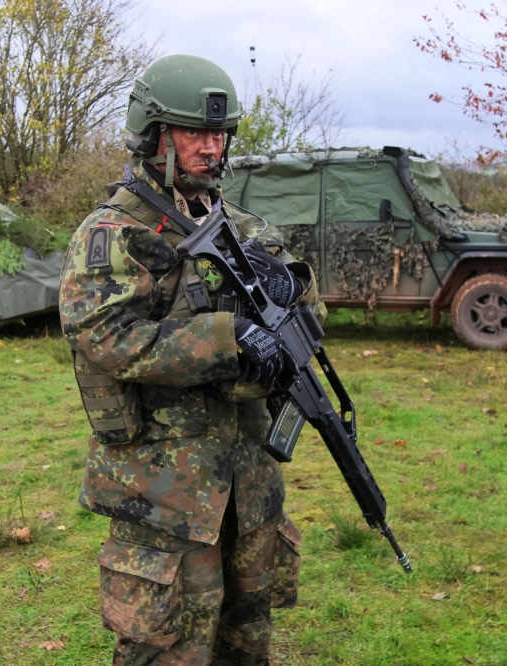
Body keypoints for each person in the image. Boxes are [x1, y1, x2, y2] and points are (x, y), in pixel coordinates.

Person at [59, 54, 326, 666]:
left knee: (247, 636)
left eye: (218, 135)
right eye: (194, 133)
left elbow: (311, 321)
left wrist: (292, 290)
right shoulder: (114, 234)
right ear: (154, 136)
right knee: (170, 646)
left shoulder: (247, 227)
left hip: (249, 481)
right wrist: (226, 337)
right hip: (166, 488)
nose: (210, 148)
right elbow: (102, 332)